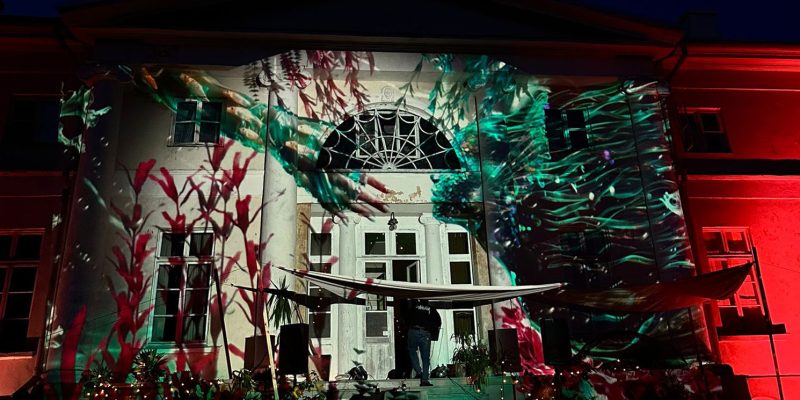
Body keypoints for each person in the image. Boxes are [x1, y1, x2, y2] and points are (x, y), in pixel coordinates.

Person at [406, 298, 442, 386]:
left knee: (412, 350)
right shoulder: (431, 309)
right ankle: (424, 379)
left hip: (413, 331)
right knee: (425, 357)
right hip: (425, 333)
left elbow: (407, 317)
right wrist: (432, 330)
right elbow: (438, 321)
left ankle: (418, 371)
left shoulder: (414, 307)